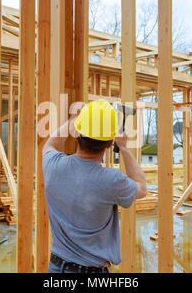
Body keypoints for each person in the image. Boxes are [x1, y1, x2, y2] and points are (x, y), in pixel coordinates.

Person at [42, 99, 147, 273]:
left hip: (56, 268)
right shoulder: (112, 181)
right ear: (110, 144)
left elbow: (50, 145)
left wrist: (73, 120)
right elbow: (141, 188)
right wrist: (125, 148)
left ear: (76, 135)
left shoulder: (53, 166)